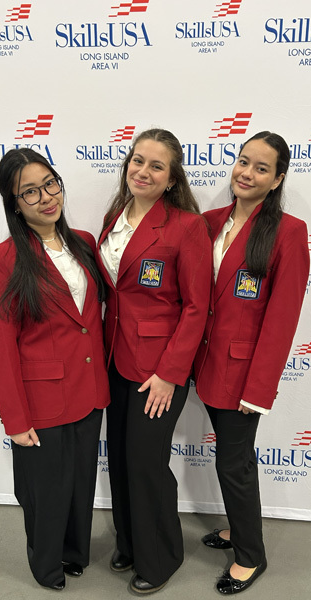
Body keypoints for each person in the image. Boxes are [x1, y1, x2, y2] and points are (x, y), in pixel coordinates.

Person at [0, 148, 110, 590]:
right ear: (14, 203)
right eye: (29, 192)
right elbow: (0, 345)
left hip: (90, 390)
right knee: (44, 493)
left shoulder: (85, 243)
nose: (45, 198)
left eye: (49, 184)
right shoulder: (2, 259)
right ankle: (47, 566)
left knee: (80, 487)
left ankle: (74, 554)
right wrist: (15, 421)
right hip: (41, 400)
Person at [96, 128, 212, 594]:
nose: (143, 171)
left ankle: (160, 557)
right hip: (113, 359)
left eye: (156, 166)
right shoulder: (114, 217)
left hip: (159, 370)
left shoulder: (186, 227)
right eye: (137, 160)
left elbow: (196, 307)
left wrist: (169, 374)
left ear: (171, 178)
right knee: (122, 460)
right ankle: (130, 542)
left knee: (146, 463)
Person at [194, 131, 309, 594]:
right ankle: (238, 530)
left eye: (262, 168)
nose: (247, 173)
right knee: (234, 460)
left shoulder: (288, 232)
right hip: (202, 368)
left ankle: (250, 555)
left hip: (242, 377)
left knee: (233, 464)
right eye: (243, 162)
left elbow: (282, 322)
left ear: (277, 178)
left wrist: (258, 391)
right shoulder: (208, 221)